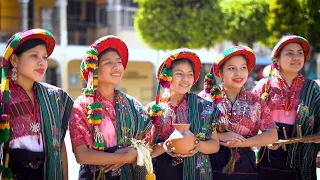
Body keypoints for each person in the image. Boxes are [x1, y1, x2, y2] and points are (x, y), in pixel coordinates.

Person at [68, 36, 154, 180]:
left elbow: (149, 140)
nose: (116, 67)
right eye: (108, 62)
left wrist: (132, 153)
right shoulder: (81, 106)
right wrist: (121, 157)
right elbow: (81, 155)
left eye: (119, 62)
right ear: (94, 68)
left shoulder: (132, 104)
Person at [0, 29, 73, 179]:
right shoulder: (3, 97)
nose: (42, 62)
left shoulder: (55, 97)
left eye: (44, 57)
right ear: (14, 60)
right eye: (34, 56)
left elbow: (60, 147)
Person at [199, 45, 278, 180]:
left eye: (243, 68)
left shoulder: (256, 101)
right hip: (209, 164)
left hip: (246, 165)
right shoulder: (205, 98)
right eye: (231, 68)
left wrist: (245, 143)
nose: (238, 73)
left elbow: (272, 135)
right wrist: (219, 137)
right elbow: (194, 131)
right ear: (220, 73)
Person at [253, 35, 320, 180]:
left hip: (303, 158)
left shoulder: (313, 88)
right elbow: (250, 123)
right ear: (277, 59)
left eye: (300, 53)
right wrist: (262, 138)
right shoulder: (264, 87)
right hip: (269, 156)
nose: (296, 57)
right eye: (289, 53)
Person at [146, 48, 220, 180]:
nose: (186, 79)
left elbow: (215, 145)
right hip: (162, 172)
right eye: (179, 74)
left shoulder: (204, 107)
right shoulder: (153, 109)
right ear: (167, 76)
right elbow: (145, 151)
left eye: (190, 74)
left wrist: (198, 146)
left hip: (197, 174)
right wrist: (164, 146)